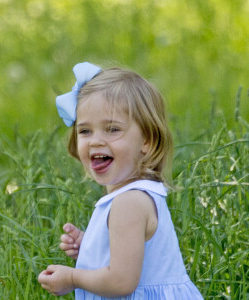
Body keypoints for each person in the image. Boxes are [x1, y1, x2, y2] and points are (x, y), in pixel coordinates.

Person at [38, 62, 204, 299]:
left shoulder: (130, 203)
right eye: (85, 131)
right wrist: (90, 248)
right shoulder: (133, 197)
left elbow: (121, 281)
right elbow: (131, 257)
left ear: (147, 141)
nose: (96, 141)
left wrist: (73, 278)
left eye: (112, 129)